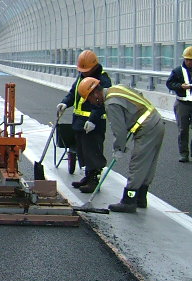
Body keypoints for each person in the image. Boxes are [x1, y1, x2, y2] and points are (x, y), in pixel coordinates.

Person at [78, 77, 165, 213]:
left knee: (137, 164)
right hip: (156, 121)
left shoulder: (110, 103)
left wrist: (119, 148)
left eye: (89, 99)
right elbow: (139, 97)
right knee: (148, 163)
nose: (92, 103)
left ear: (95, 93)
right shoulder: (117, 89)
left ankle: (129, 201)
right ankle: (141, 198)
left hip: (147, 127)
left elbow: (119, 130)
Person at [56, 50, 111, 193]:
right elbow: (73, 93)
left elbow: (102, 102)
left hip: (94, 124)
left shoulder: (103, 79)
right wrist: (65, 103)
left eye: (86, 70)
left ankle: (94, 179)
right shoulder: (81, 77)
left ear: (93, 67)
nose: (84, 73)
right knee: (82, 150)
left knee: (93, 151)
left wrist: (93, 120)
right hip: (79, 121)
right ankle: (87, 177)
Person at [166, 46, 192, 162]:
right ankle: (184, 153)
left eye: (191, 60)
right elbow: (169, 83)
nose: (189, 62)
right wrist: (181, 86)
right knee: (183, 129)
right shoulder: (177, 71)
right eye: (187, 60)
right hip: (182, 103)